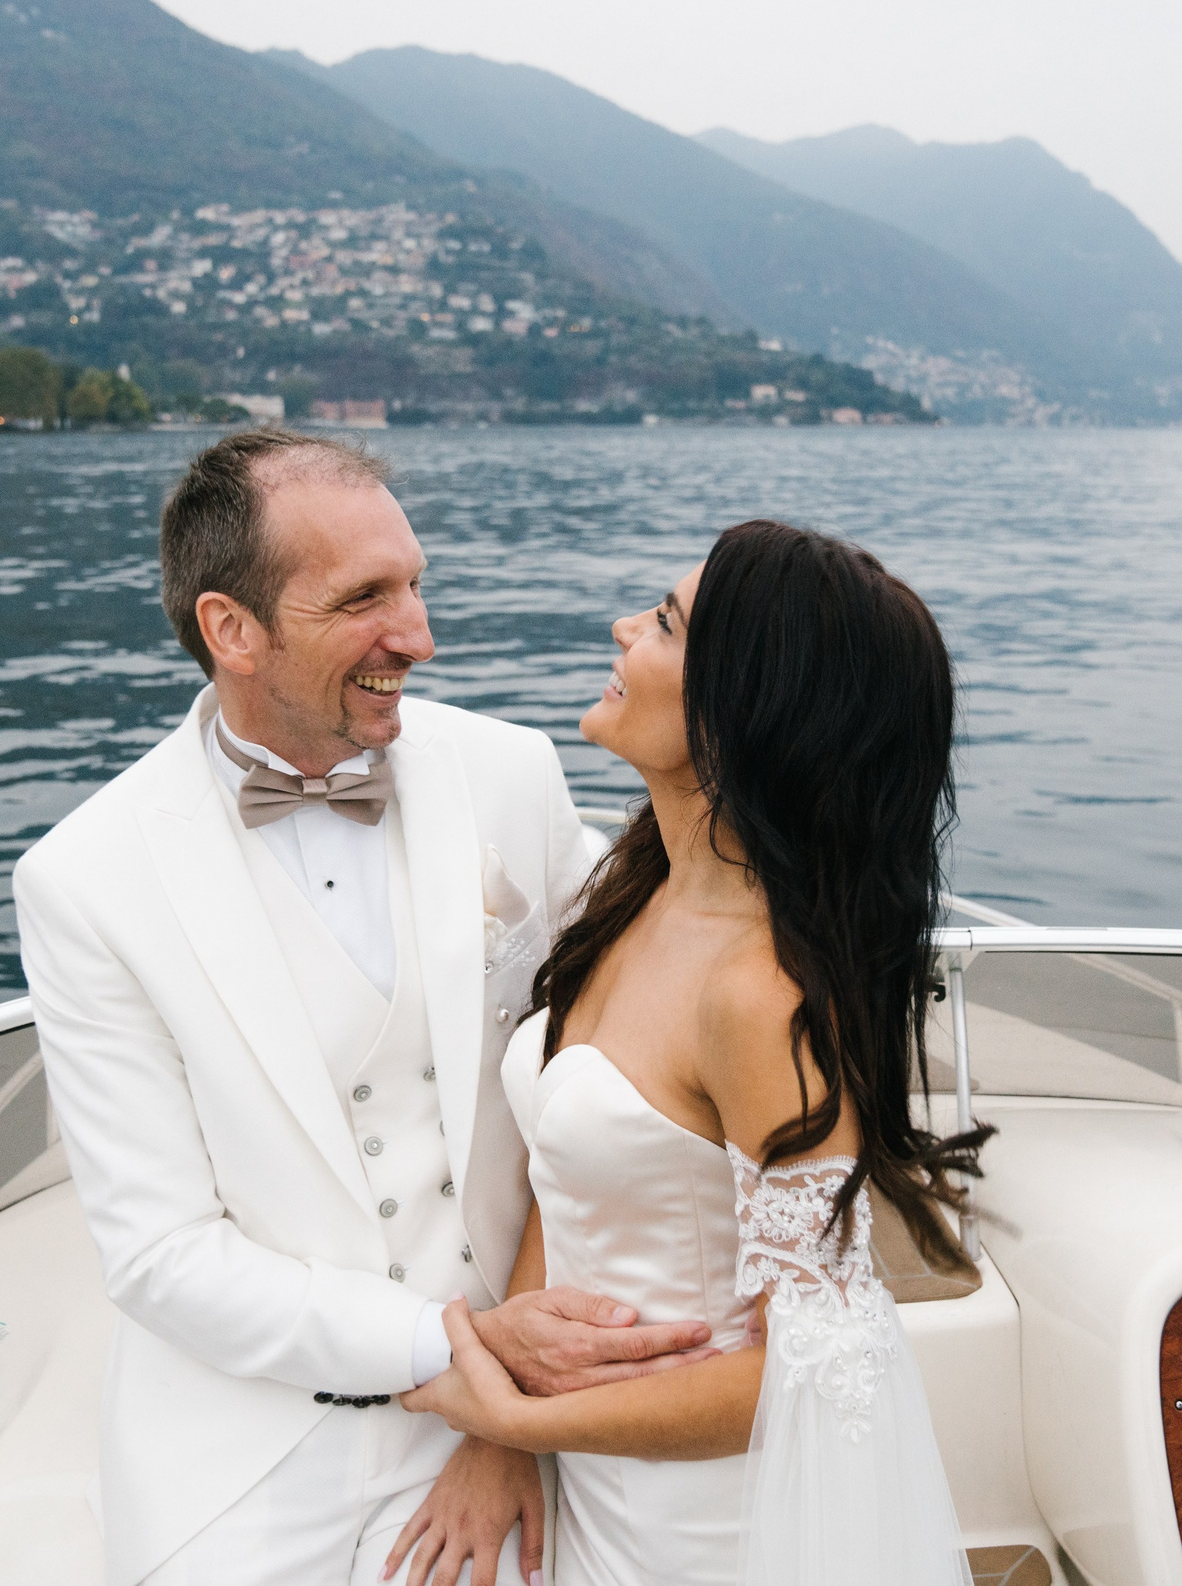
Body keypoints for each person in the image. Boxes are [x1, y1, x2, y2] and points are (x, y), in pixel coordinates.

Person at [13, 429, 717, 1586]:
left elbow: (632, 1023)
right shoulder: (86, 881)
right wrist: (455, 1349)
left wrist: (505, 1420)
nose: (419, 637)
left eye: (416, 584)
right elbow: (161, 1255)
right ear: (231, 630)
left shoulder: (506, 773)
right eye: (364, 599)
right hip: (248, 1430)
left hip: (531, 1385)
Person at [398, 519, 988, 1586]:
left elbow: (812, 1371)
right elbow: (563, 1176)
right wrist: (511, 1413)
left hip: (712, 1532)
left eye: (663, 622)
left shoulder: (759, 998)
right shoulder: (637, 886)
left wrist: (511, 1415)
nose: (622, 628)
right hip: (593, 1489)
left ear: (741, 711)